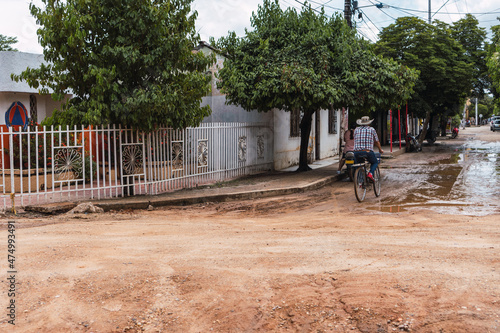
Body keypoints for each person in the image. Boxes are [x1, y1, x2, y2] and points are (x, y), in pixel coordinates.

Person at [353, 116, 384, 182]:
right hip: (367, 152)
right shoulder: (372, 129)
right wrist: (380, 150)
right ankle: (370, 173)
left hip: (356, 152)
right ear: (369, 123)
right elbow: (376, 141)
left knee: (359, 165)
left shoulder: (356, 129)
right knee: (375, 162)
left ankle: (360, 182)